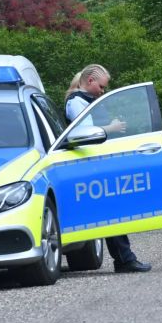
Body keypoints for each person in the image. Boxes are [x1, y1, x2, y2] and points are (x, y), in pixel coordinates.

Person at [65, 64, 152, 274]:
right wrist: (110, 128)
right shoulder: (76, 103)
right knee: (111, 211)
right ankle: (125, 260)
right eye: (102, 86)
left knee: (112, 211)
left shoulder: (88, 101)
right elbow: (83, 133)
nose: (103, 91)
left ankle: (125, 259)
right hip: (89, 165)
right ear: (90, 81)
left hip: (97, 163)